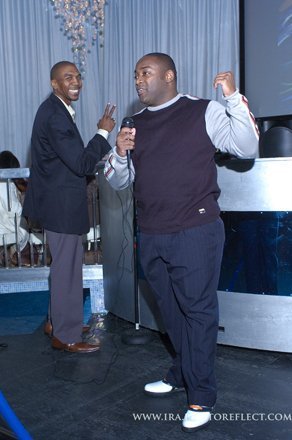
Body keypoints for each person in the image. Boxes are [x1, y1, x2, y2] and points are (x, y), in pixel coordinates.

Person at [104, 53, 259, 431]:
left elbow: (246, 147)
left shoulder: (202, 110)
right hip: (153, 233)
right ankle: (181, 372)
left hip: (195, 229)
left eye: (146, 73)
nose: (138, 80)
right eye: (135, 74)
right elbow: (116, 180)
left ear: (169, 76)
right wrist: (121, 153)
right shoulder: (133, 125)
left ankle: (201, 395)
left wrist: (233, 98)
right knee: (170, 313)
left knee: (198, 312)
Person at [23, 61, 116, 354]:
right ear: (54, 83)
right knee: (67, 271)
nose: (75, 81)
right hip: (61, 205)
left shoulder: (56, 110)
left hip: (58, 203)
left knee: (63, 268)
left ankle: (56, 322)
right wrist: (102, 133)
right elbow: (81, 164)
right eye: (67, 77)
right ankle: (66, 334)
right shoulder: (55, 116)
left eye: (77, 76)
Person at [0, 150, 42, 266]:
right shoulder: (8, 184)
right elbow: (15, 210)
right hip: (8, 227)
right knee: (24, 230)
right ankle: (15, 256)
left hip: (3, 225)